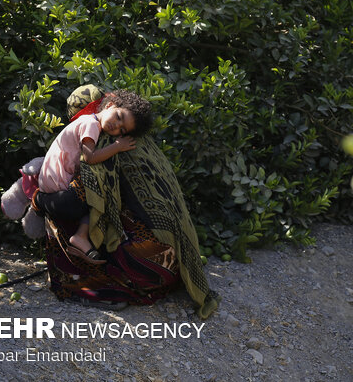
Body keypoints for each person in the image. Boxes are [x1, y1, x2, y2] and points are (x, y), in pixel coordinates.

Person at [31, 85, 219, 318]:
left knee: (69, 204)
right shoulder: (141, 142)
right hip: (176, 264)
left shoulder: (103, 142)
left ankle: (80, 282)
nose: (116, 127)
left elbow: (69, 205)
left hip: (145, 264)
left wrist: (38, 199)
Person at [38, 89, 152, 263]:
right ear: (111, 105)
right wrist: (117, 146)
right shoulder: (90, 123)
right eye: (119, 117)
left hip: (56, 188)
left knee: (98, 193)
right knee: (99, 190)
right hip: (59, 192)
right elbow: (90, 158)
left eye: (122, 130)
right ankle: (78, 234)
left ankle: (80, 236)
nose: (116, 126)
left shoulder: (91, 124)